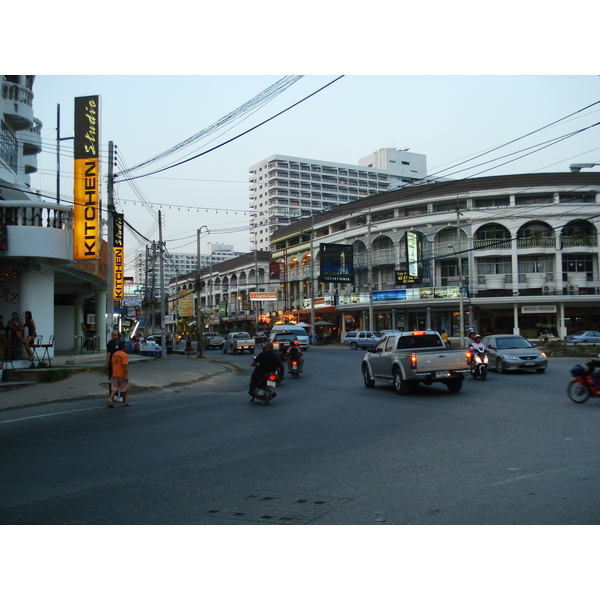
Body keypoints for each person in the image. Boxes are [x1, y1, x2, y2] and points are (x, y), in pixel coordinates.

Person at [108, 341, 131, 407]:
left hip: (115, 374)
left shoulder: (114, 354)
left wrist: (113, 372)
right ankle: (124, 402)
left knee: (114, 388)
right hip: (122, 374)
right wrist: (126, 376)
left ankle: (110, 399)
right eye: (126, 346)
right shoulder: (124, 355)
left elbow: (112, 364)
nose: (126, 347)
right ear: (123, 347)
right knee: (123, 389)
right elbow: (125, 366)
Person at [105, 330, 120, 400]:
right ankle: (112, 394)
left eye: (117, 335)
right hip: (112, 364)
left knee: (116, 379)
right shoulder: (111, 343)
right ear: (111, 336)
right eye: (114, 335)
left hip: (117, 364)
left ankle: (115, 393)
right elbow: (109, 354)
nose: (116, 336)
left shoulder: (117, 343)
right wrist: (107, 363)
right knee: (112, 379)